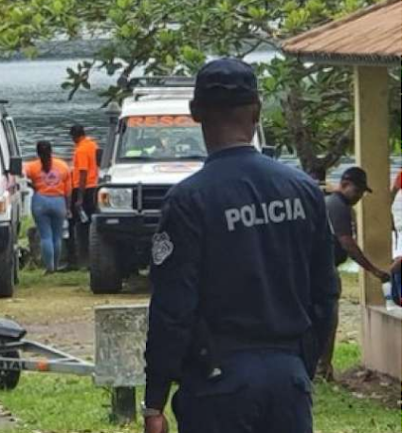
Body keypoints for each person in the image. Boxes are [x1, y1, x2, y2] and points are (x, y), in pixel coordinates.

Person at [143, 58, 338, 433]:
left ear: (195, 112)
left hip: (218, 384)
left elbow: (173, 309)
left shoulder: (189, 200)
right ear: (258, 111)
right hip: (289, 379)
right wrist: (300, 363)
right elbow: (326, 293)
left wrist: (155, 401)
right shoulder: (302, 190)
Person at [319, 167, 391, 380]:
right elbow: (347, 242)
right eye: (357, 191)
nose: (359, 197)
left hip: (323, 268)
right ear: (344, 184)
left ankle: (322, 368)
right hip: (323, 271)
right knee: (327, 319)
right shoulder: (337, 205)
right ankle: (322, 370)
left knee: (324, 318)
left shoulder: (336, 204)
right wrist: (373, 270)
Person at [25, 141, 72, 273]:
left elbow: (20, 176)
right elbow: (68, 191)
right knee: (57, 236)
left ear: (38, 153)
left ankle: (49, 267)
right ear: (52, 151)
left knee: (45, 236)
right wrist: (68, 208)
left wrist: (31, 186)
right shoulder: (63, 166)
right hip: (59, 202)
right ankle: (56, 266)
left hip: (40, 201)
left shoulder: (32, 166)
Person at [67, 125, 99, 268]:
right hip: (94, 187)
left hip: (83, 189)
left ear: (75, 136)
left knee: (74, 223)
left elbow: (83, 172)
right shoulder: (93, 145)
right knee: (91, 221)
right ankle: (91, 256)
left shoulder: (81, 150)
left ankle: (77, 258)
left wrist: (79, 198)